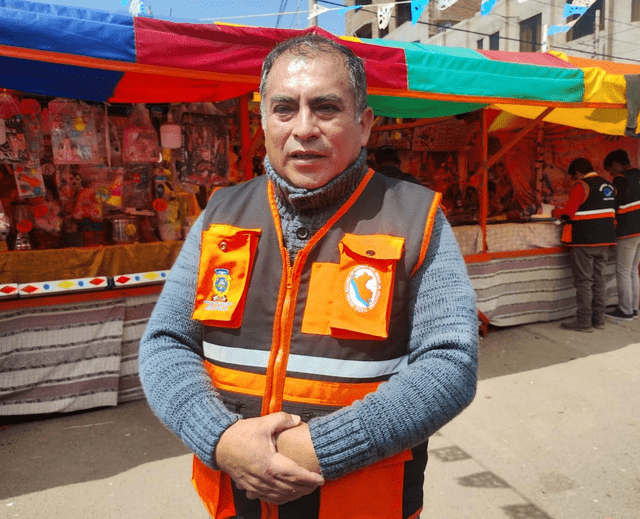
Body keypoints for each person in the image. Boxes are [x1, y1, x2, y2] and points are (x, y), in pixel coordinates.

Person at [139, 33, 478, 519]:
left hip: (361, 503)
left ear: (363, 125)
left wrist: (314, 450)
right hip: (237, 501)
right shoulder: (221, 212)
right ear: (263, 122)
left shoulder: (415, 217)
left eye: (325, 108)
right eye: (284, 108)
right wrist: (223, 438)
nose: (304, 128)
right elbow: (166, 342)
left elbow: (450, 364)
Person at [552, 158, 616, 331]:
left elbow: (568, 213)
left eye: (573, 177)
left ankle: (583, 321)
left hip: (584, 239)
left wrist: (554, 211)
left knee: (583, 282)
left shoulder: (582, 186)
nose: (573, 180)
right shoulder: (608, 185)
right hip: (605, 240)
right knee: (598, 280)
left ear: (578, 173)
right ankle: (599, 319)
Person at [604, 149, 640, 321]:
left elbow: (614, 204)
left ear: (617, 164)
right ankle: (633, 308)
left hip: (627, 229)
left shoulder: (620, 179)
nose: (611, 174)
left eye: (610, 169)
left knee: (624, 271)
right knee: (633, 270)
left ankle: (625, 310)